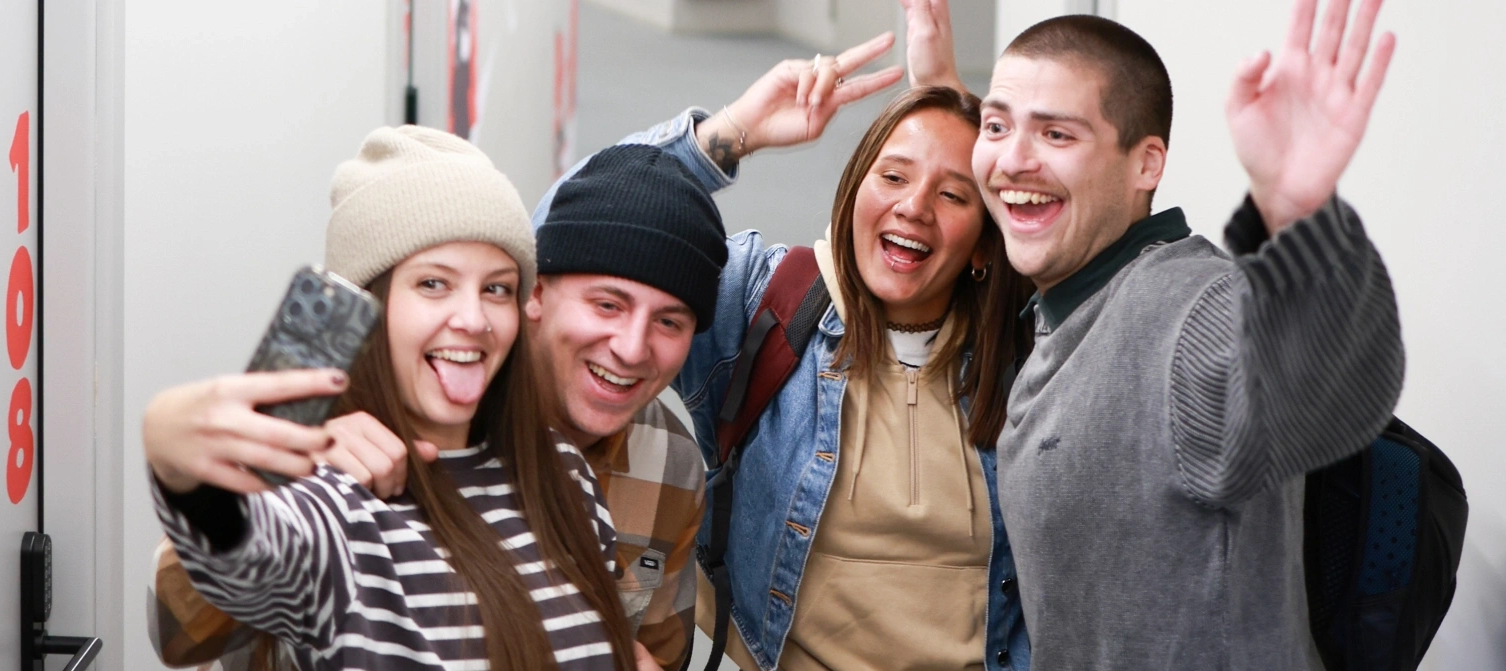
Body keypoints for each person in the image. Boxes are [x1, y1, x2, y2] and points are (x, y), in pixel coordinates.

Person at [147, 38, 905, 667]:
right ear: (543, 300)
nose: (632, 345)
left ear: (517, 297)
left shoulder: (640, 467)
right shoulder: (340, 473)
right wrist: (197, 459)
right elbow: (191, 618)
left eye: (670, 320)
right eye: (606, 304)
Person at [905, 0, 1406, 667]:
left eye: (1058, 135)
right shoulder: (1072, 288)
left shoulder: (1181, 306)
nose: (1013, 160)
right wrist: (946, 95)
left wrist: (1297, 213)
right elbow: (1014, 188)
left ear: (1146, 165)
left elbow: (1307, 386)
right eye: (997, 126)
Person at [544, 40, 1033, 670]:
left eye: (954, 195)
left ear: (983, 246)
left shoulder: (1029, 353)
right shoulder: (763, 302)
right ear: (854, 191)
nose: (913, 206)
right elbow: (568, 233)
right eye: (893, 175)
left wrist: (990, 136)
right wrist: (729, 135)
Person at [142, 126, 640, 670]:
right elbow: (238, 556)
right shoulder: (335, 500)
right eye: (433, 284)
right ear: (369, 306)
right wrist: (177, 457)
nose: (473, 319)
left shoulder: (565, 475)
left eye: (496, 288)